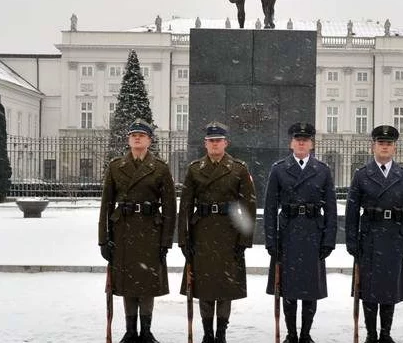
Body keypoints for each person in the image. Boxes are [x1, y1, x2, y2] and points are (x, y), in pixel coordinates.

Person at [98, 119, 176, 343]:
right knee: (127, 283)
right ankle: (130, 330)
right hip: (123, 231)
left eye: (142, 135)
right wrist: (103, 240)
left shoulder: (160, 168)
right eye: (133, 135)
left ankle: (146, 331)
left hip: (150, 232)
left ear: (150, 140)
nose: (137, 138)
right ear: (128, 140)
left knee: (147, 284)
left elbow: (170, 207)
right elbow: (106, 205)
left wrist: (166, 242)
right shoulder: (116, 166)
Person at [178, 122, 257, 343]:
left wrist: (244, 238)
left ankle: (221, 333)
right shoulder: (195, 169)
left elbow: (248, 205)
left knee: (224, 287)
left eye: (218, 140)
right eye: (211, 140)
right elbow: (185, 205)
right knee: (204, 287)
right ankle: (207, 334)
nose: (214, 144)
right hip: (201, 232)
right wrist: (184, 239)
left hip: (228, 234)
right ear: (205, 144)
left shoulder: (239, 168)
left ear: (226, 143)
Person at [264, 122, 338, 343]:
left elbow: (331, 209)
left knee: (309, 289)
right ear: (291, 143)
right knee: (288, 288)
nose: (301, 143)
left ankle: (305, 334)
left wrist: (329, 240)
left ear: (312, 144)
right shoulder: (279, 169)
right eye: (298, 140)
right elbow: (269, 208)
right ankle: (291, 334)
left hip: (313, 234)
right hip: (288, 234)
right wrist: (270, 240)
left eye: (305, 140)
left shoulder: (322, 170)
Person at [346, 124, 403, 343]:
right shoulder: (361, 175)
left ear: (394, 148)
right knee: (368, 290)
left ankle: (385, 334)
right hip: (369, 238)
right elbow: (351, 211)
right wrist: (351, 241)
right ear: (373, 147)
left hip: (394, 238)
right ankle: (371, 334)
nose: (385, 147)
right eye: (381, 143)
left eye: (389, 144)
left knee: (389, 289)